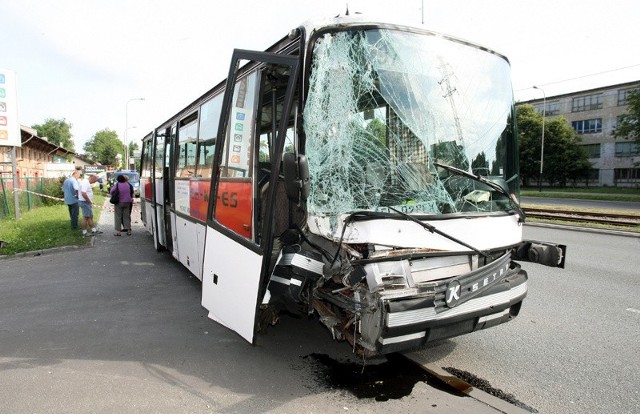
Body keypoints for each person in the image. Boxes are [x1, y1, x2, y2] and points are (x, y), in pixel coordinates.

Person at [78, 173, 102, 237]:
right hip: (85, 202)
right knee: (85, 217)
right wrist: (89, 202)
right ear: (92, 178)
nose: (95, 182)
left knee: (90, 216)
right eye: (95, 180)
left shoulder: (86, 182)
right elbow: (83, 193)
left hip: (86, 202)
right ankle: (84, 232)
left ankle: (93, 230)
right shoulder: (85, 183)